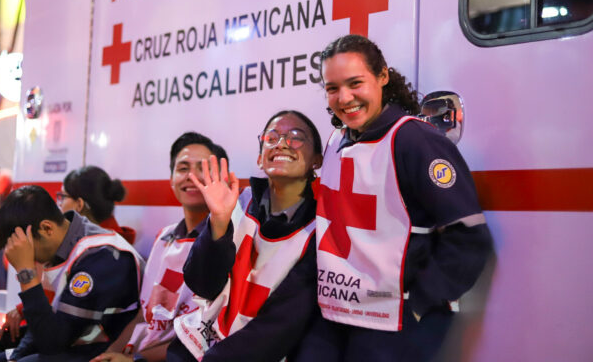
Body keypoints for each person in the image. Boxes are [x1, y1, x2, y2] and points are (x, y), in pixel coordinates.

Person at [298, 34, 492, 361]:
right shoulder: (336, 140)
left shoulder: (414, 139)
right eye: (332, 88)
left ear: (382, 77)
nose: (344, 98)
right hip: (335, 316)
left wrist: (418, 303)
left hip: (396, 325)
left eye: (355, 83)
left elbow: (470, 235)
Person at [168, 111, 324, 362]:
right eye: (271, 138)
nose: (281, 143)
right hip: (192, 347)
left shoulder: (321, 228)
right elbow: (202, 285)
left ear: (316, 160)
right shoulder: (236, 201)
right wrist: (218, 221)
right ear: (261, 158)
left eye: (296, 137)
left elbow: (280, 327)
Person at [92, 132, 228, 362]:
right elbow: (144, 316)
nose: (191, 176)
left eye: (202, 168)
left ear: (221, 179)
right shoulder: (165, 237)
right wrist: (111, 353)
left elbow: (208, 335)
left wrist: (135, 360)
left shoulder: (226, 242)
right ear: (171, 179)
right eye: (183, 168)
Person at [0, 185, 143, 362]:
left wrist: (26, 272)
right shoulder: (65, 245)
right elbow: (45, 326)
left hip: (105, 351)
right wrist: (15, 356)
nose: (30, 258)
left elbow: (52, 343)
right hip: (73, 342)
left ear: (47, 228)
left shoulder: (99, 256)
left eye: (28, 251)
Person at [57, 166, 136, 244]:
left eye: (63, 196)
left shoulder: (89, 248)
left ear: (79, 205)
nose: (59, 204)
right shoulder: (117, 242)